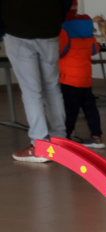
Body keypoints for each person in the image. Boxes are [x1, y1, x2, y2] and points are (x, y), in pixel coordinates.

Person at [2, 0, 67, 163]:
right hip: (49, 30)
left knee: (31, 91)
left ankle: (40, 145)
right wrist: (55, 20)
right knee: (52, 88)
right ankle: (60, 140)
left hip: (18, 30)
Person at [58, 2, 104, 149]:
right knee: (90, 109)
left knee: (70, 110)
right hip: (85, 78)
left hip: (69, 78)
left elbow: (59, 51)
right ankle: (97, 137)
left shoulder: (64, 28)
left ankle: (66, 137)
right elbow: (94, 49)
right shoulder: (87, 26)